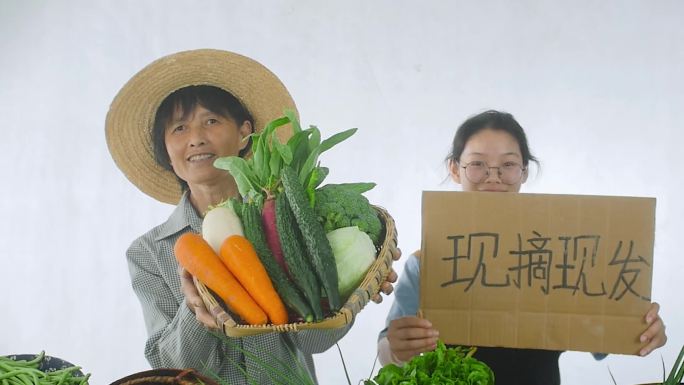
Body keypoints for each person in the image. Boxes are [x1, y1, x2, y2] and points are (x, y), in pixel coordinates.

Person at [105, 49, 399, 385]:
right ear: (165, 150)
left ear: (245, 132)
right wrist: (196, 306)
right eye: (179, 128)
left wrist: (349, 288)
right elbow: (169, 366)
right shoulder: (149, 253)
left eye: (211, 121)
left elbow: (315, 341)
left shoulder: (286, 223)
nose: (196, 138)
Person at [376, 110, 667, 385]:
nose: (493, 177)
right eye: (477, 164)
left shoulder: (560, 256)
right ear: (455, 169)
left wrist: (643, 329)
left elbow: (608, 330)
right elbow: (388, 355)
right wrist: (398, 350)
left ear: (524, 171)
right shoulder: (426, 263)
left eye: (508, 165)